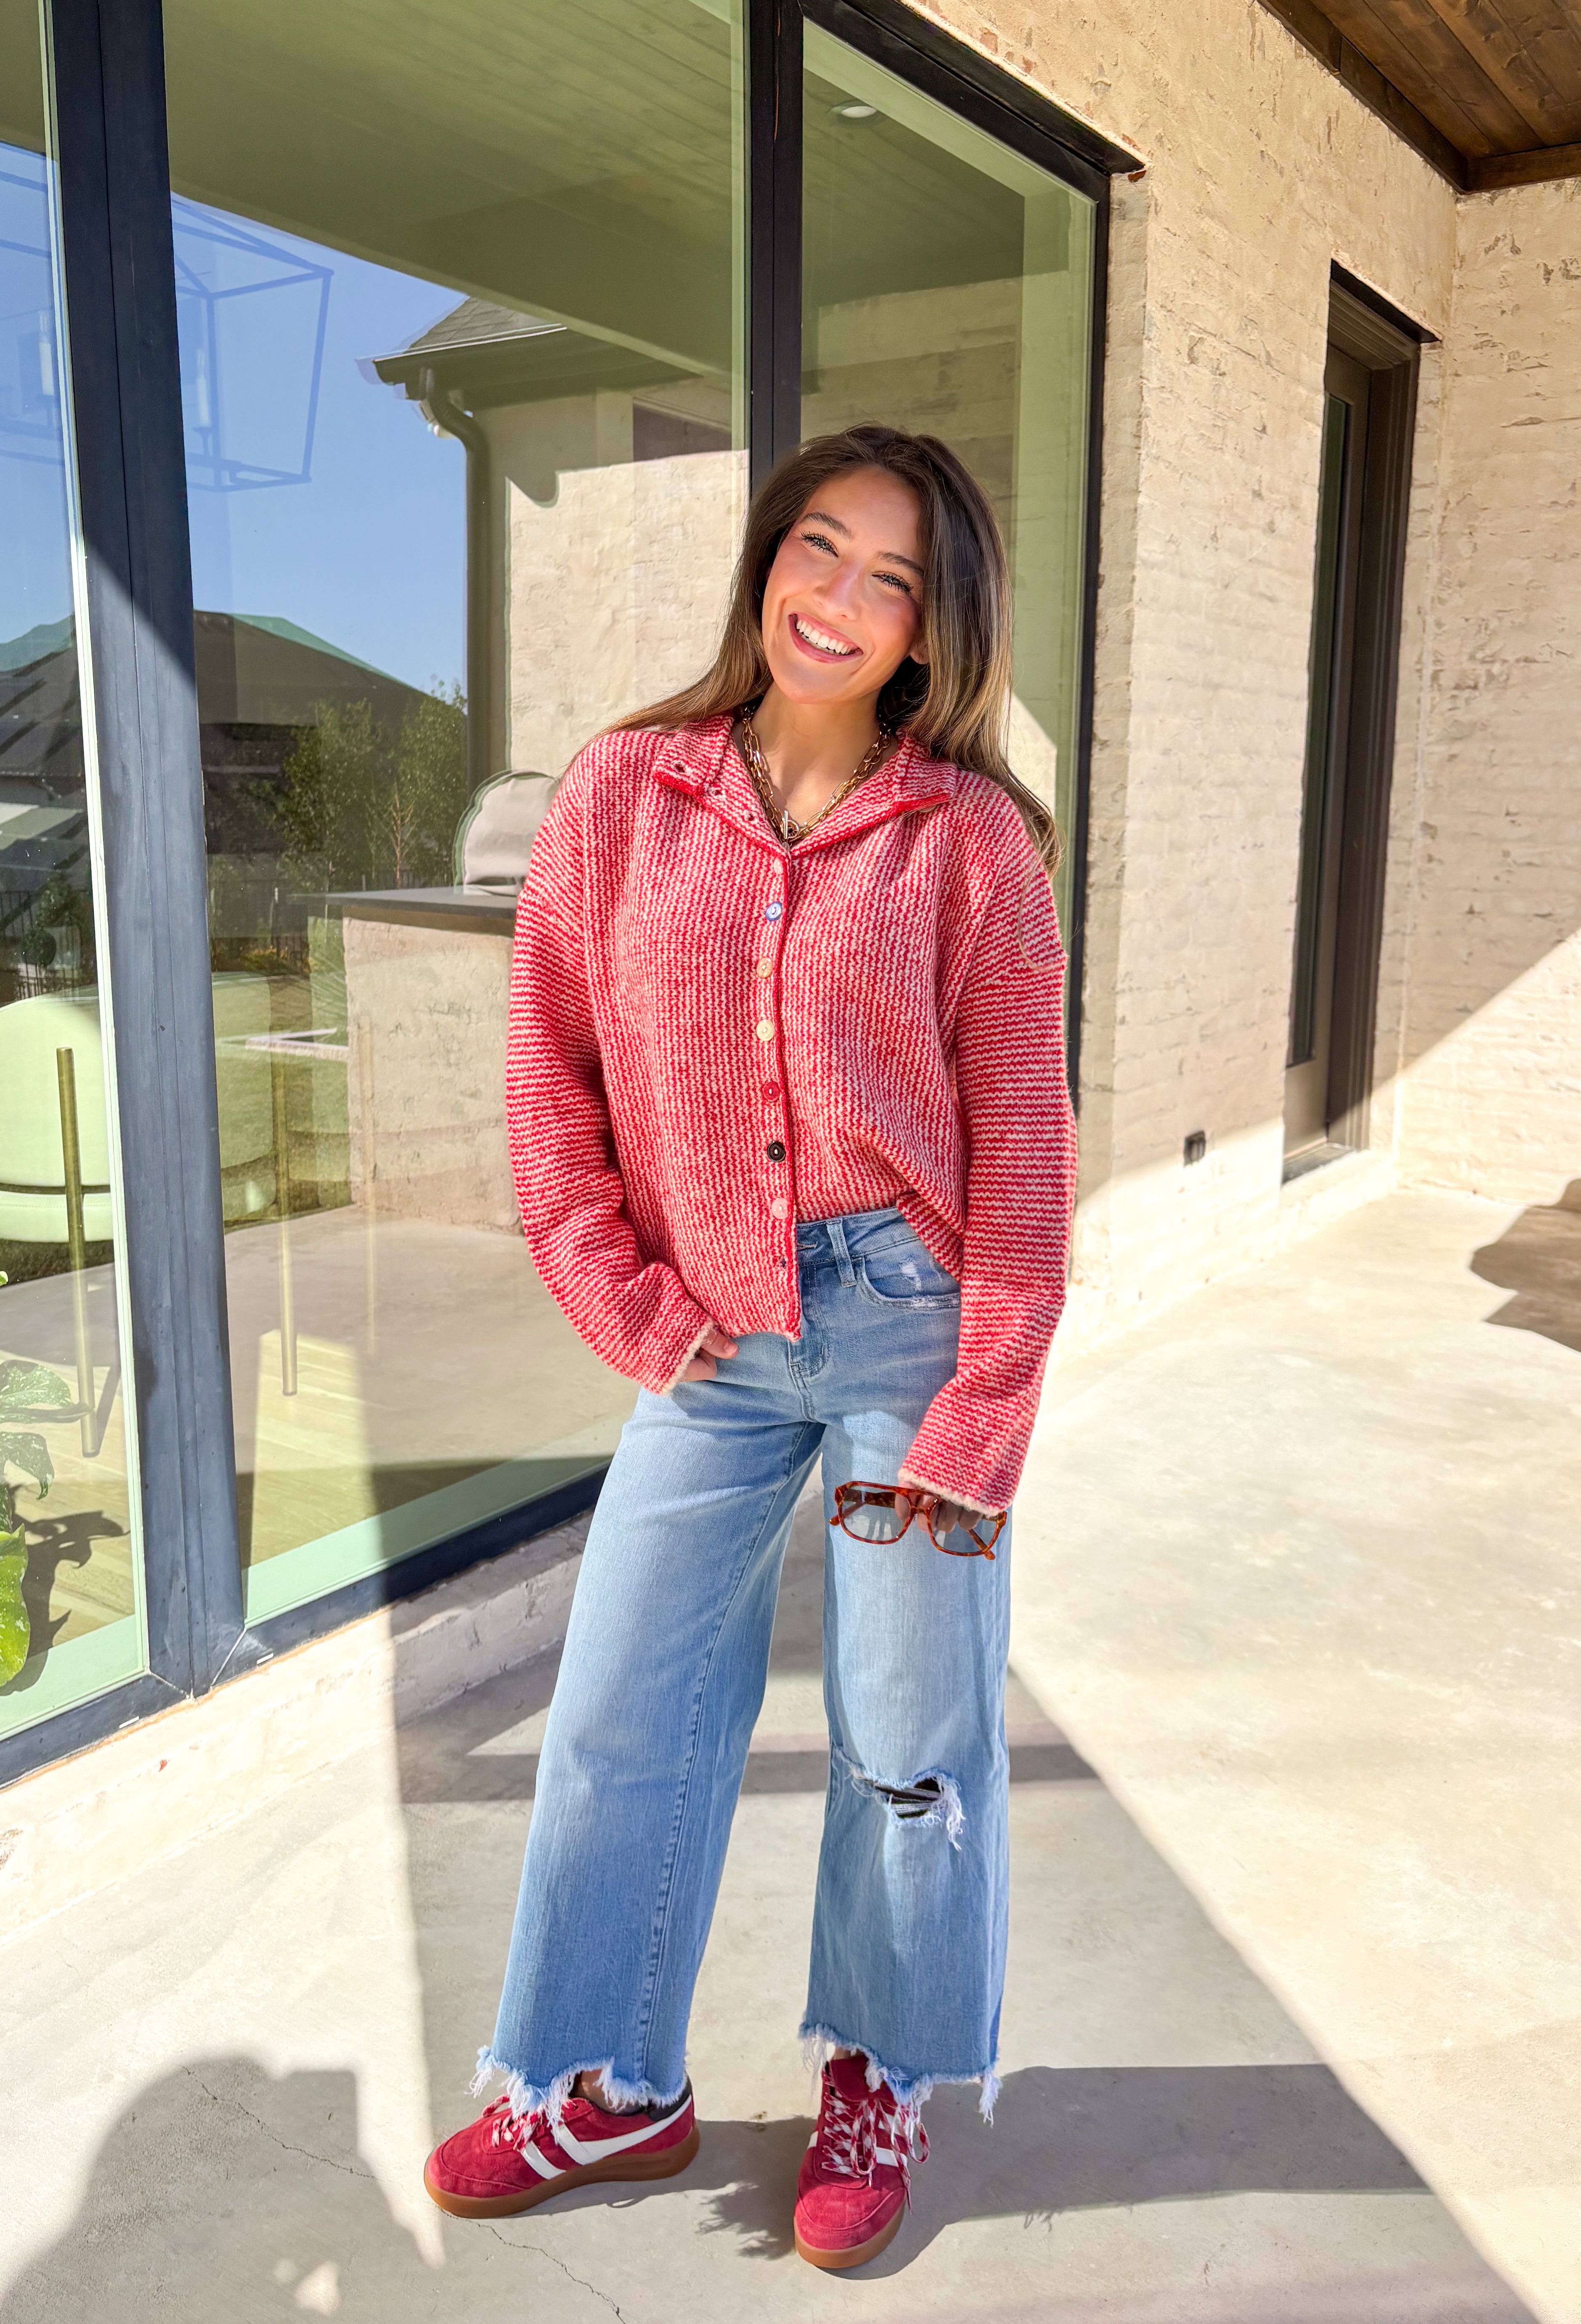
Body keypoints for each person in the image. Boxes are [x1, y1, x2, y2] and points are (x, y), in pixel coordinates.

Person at [423, 423, 1077, 2271]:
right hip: (704, 1323)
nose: (841, 599)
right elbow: (547, 1068)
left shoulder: (972, 848)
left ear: (935, 632)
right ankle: (608, 2077)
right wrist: (624, 1295)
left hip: (903, 1317)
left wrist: (983, 1401)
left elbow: (1023, 1147)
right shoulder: (623, 795)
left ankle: (879, 2062)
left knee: (904, 1730)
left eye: (891, 578)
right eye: (819, 547)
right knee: (622, 1702)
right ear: (766, 559)